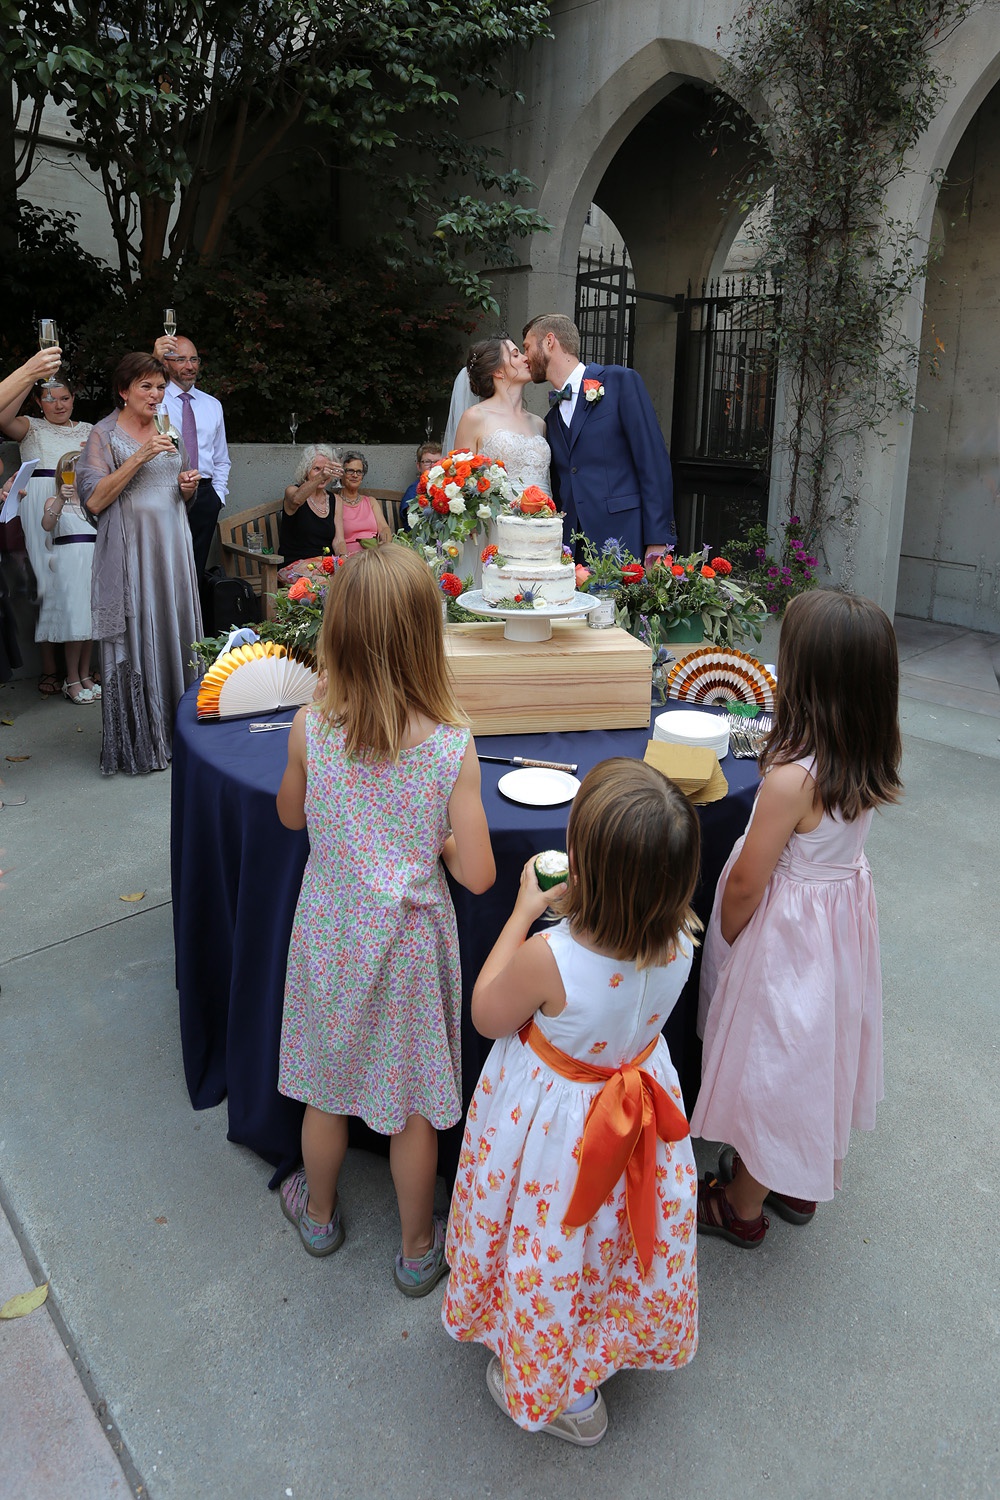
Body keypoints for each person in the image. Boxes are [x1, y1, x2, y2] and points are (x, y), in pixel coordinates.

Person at [442, 759, 702, 1447]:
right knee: (600, 1246)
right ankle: (601, 1343)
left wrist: (524, 913)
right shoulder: (680, 941)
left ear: (585, 870)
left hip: (558, 1136)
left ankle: (567, 1397)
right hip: (635, 1116)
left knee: (552, 1243)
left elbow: (487, 1013)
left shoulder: (549, 956)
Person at [275, 545, 495, 1293]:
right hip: (406, 950)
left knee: (325, 1092)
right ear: (425, 638)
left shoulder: (310, 727)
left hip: (331, 938)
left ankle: (318, 1214)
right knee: (412, 1114)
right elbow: (479, 874)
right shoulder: (452, 748)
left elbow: (291, 816)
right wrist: (438, 841)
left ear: (337, 636)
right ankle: (416, 1249)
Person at [691, 589, 903, 1246]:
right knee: (810, 1056)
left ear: (807, 682)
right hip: (833, 936)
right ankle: (796, 1179)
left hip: (782, 939)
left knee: (772, 1066)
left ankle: (741, 1205)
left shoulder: (793, 779)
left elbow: (747, 881)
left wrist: (728, 939)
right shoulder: (866, 756)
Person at [75, 353, 203, 775]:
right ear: (123, 391)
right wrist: (140, 456)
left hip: (174, 549)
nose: (155, 394)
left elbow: (176, 487)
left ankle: (184, 733)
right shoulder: (104, 433)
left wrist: (186, 488)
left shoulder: (168, 428)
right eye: (146, 386)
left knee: (175, 628)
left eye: (161, 387)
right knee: (140, 633)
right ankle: (144, 740)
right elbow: (95, 499)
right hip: (133, 552)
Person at [522, 313, 675, 565]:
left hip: (624, 538)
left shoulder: (620, 382)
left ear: (549, 341)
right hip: (572, 550)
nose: (525, 357)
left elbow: (653, 462)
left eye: (527, 347)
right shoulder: (550, 420)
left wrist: (658, 540)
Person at [0, 354, 93, 696]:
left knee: (77, 584)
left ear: (73, 398)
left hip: (77, 510)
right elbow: (1, 417)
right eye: (50, 399)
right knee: (46, 585)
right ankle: (51, 668)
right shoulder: (29, 426)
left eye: (65, 397)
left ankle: (80, 669)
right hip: (38, 503)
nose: (59, 405)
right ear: (39, 402)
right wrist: (28, 377)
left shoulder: (89, 430)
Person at [153, 333, 231, 583]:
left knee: (195, 571)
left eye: (194, 359)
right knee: (163, 568)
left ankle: (193, 611)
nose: (190, 366)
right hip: (166, 490)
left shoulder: (212, 405)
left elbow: (221, 458)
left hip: (205, 495)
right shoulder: (155, 401)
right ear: (165, 363)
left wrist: (217, 496)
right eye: (181, 360)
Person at [454, 336, 550, 492]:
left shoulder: (539, 423)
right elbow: (462, 484)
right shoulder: (475, 417)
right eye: (516, 355)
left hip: (543, 506)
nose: (526, 358)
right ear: (498, 371)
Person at [39, 450, 98, 704]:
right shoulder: (54, 500)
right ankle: (71, 679)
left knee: (90, 623)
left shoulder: (91, 503)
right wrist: (61, 500)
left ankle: (85, 674)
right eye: (73, 470)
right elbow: (47, 525)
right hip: (70, 566)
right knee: (75, 622)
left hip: (93, 564)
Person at [279, 445, 344, 567]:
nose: (323, 473)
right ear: (306, 471)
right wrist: (321, 476)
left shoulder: (336, 500)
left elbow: (339, 540)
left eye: (326, 469)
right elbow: (296, 500)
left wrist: (344, 560)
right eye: (317, 469)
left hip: (325, 565)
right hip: (295, 565)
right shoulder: (292, 491)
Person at [335, 450, 392, 553]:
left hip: (374, 554)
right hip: (350, 556)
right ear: (341, 474)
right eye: (350, 471)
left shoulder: (371, 501)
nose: (355, 475)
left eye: (359, 472)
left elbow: (384, 528)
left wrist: (385, 542)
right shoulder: (335, 502)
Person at [400, 441, 443, 528]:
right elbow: (414, 519)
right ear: (419, 466)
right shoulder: (414, 489)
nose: (433, 466)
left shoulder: (446, 486)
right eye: (427, 462)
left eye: (437, 462)